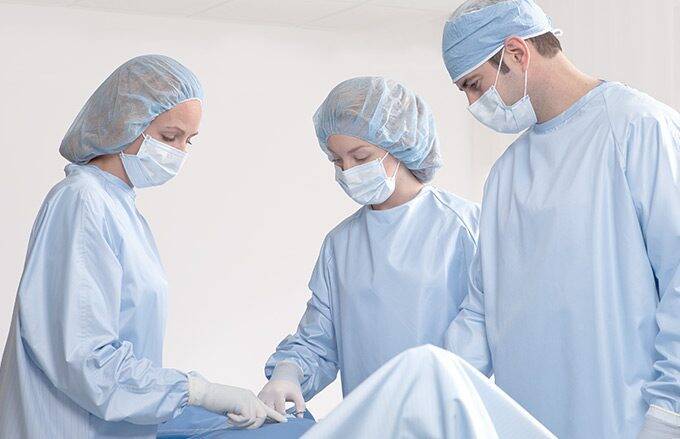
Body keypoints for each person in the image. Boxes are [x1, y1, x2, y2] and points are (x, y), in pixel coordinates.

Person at [0, 55, 284, 439]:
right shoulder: (82, 201)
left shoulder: (118, 205)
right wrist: (197, 391)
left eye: (189, 140)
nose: (179, 151)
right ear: (124, 121)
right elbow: (85, 358)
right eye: (169, 136)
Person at [441, 1, 680, 438]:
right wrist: (437, 396)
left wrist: (669, 413)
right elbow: (481, 307)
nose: (474, 103)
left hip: (628, 422)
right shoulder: (506, 176)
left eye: (474, 85)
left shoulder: (638, 128)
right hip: (529, 423)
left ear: (516, 52)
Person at [258, 76, 480, 417]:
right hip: (368, 422)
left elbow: (484, 332)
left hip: (447, 419)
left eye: (361, 156)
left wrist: (429, 400)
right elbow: (318, 340)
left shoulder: (461, 227)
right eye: (337, 160)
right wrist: (289, 373)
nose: (348, 171)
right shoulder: (341, 244)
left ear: (403, 144)